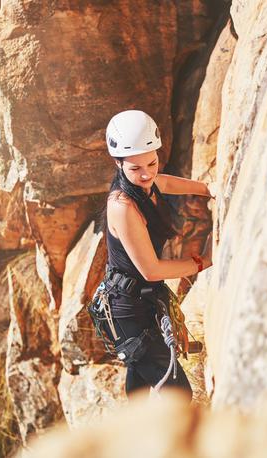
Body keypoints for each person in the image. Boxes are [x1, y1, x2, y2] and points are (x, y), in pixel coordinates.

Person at [98, 109, 214, 398]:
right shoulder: (123, 206)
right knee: (178, 395)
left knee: (139, 381)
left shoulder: (145, 184)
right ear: (118, 164)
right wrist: (203, 262)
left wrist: (208, 188)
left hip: (142, 300)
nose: (146, 173)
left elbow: (165, 182)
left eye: (152, 162)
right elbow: (151, 269)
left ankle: (135, 436)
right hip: (129, 310)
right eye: (135, 168)